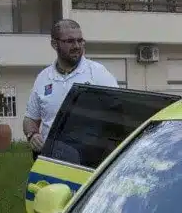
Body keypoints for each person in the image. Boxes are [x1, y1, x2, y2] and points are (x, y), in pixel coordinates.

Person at [23, 18, 119, 157]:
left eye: (80, 41)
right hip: (48, 158)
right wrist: (32, 134)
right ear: (54, 44)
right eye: (70, 41)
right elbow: (30, 119)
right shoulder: (43, 78)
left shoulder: (98, 73)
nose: (77, 46)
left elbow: (118, 114)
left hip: (87, 160)